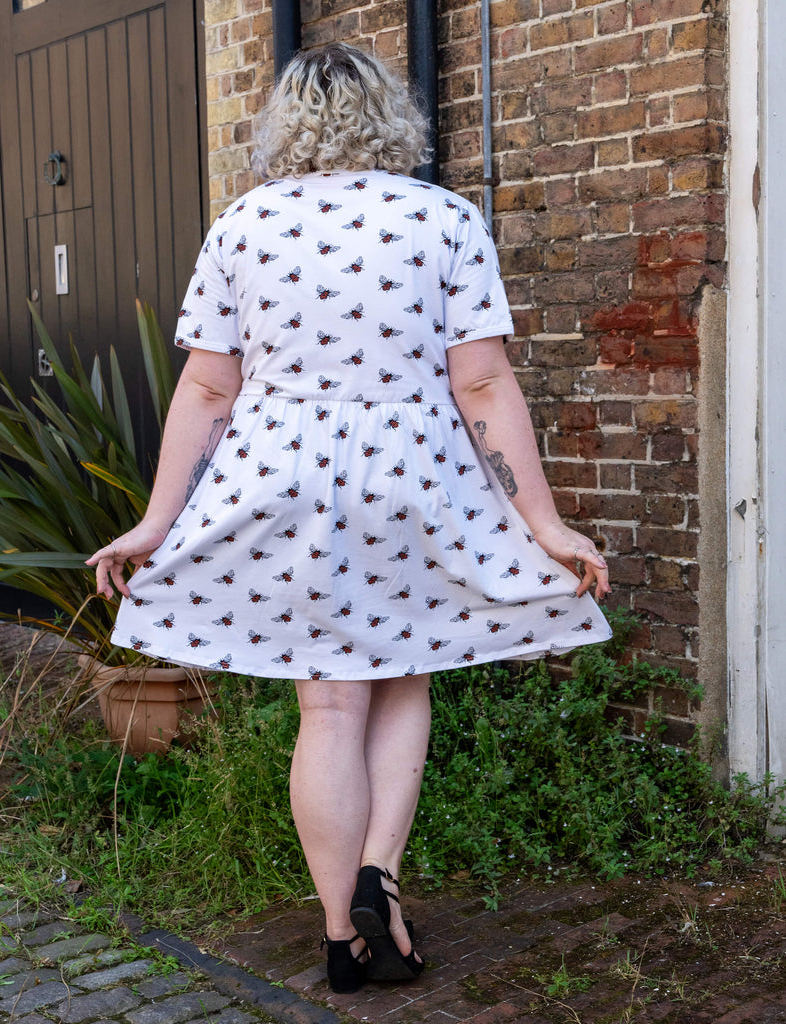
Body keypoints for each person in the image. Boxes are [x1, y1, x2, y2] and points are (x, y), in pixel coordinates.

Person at [87, 42, 612, 994]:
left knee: (327, 703)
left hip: (279, 477)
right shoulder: (442, 216)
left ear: (283, 123)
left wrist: (156, 524)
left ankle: (342, 936)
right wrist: (544, 522)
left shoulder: (241, 226)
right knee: (402, 679)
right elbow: (483, 380)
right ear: (390, 116)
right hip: (412, 476)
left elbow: (207, 388)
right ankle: (383, 878)